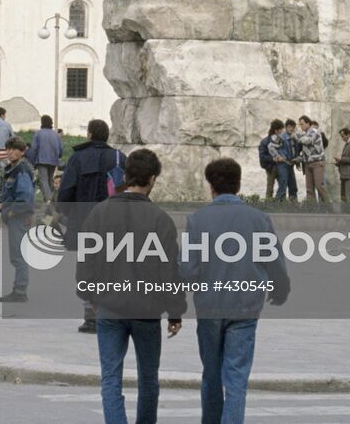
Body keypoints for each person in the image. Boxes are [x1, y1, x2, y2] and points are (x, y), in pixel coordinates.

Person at [76, 148, 184, 424]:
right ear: (152, 179)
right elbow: (169, 272)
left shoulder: (99, 213)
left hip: (109, 308)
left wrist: (91, 296)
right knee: (148, 379)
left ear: (125, 176)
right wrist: (174, 312)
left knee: (111, 378)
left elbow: (85, 261)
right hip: (147, 311)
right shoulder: (161, 220)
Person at [179, 158, 290, 424]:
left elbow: (187, 270)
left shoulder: (198, 220)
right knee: (237, 378)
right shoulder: (259, 219)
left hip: (209, 306)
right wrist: (279, 288)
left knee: (211, 374)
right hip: (246, 307)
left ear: (211, 186)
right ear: (239, 185)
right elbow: (274, 260)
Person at [58, 119, 126, 333]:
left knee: (87, 268)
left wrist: (68, 214)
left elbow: (67, 190)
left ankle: (90, 316)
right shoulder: (118, 157)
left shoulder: (78, 158)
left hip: (85, 222)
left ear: (89, 135)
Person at [0, 136, 36, 303]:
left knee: (19, 255)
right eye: (9, 149)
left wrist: (11, 211)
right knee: (16, 254)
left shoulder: (21, 170)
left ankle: (20, 291)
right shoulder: (13, 168)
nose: (10, 152)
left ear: (22, 152)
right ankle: (18, 289)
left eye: (14, 149)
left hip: (19, 218)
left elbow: (24, 196)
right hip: (16, 217)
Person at [25, 115, 63, 204]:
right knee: (50, 180)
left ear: (42, 123)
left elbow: (34, 148)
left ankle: (49, 200)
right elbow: (61, 148)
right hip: (53, 160)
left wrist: (32, 160)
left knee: (44, 180)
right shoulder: (56, 134)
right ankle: (52, 200)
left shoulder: (38, 133)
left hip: (41, 160)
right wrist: (58, 157)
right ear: (51, 123)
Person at [296, 116, 328, 204]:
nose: (301, 126)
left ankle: (329, 208)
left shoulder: (314, 131)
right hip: (308, 164)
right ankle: (311, 209)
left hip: (317, 163)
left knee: (319, 186)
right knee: (309, 189)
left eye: (302, 124)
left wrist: (295, 136)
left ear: (308, 123)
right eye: (300, 124)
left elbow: (308, 141)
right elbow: (306, 152)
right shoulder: (305, 134)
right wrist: (298, 159)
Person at [257, 119, 282, 198]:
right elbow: (262, 156)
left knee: (282, 187)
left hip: (282, 166)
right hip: (271, 167)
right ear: (276, 130)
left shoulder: (282, 140)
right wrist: (272, 159)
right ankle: (268, 205)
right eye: (281, 129)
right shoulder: (265, 141)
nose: (282, 131)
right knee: (270, 188)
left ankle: (281, 203)